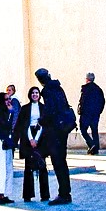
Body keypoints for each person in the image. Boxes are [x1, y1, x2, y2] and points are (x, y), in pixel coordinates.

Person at [34, 68, 74, 204]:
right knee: (62, 161)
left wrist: (41, 120)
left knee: (58, 162)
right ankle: (65, 192)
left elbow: (51, 112)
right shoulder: (58, 87)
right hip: (63, 129)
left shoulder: (47, 91)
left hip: (55, 131)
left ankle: (63, 194)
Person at [15, 85, 49, 202]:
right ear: (30, 95)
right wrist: (31, 139)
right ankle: (27, 195)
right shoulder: (25, 109)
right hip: (28, 136)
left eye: (37, 93)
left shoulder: (44, 108)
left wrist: (37, 138)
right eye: (33, 93)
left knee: (42, 165)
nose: (35, 95)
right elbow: (23, 124)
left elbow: (44, 124)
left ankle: (45, 195)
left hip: (41, 137)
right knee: (28, 167)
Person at [78, 73, 106, 155]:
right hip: (95, 114)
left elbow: (82, 101)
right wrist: (99, 111)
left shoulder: (85, 89)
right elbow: (102, 102)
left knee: (83, 130)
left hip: (86, 114)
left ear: (87, 79)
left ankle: (91, 144)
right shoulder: (98, 89)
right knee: (94, 130)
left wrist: (81, 111)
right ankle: (95, 149)